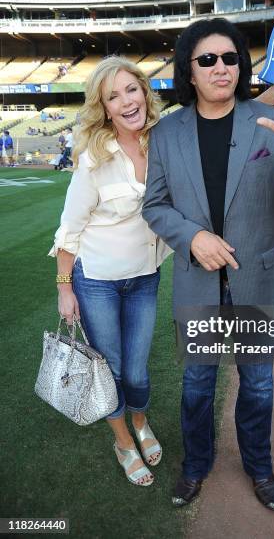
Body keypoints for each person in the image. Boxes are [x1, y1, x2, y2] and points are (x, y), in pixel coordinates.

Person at [142, 18, 274, 511]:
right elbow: (155, 206)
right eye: (207, 60)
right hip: (199, 284)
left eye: (229, 58)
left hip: (258, 283)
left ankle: (259, 467)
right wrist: (194, 237)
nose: (220, 67)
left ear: (241, 66)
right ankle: (195, 466)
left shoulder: (271, 120)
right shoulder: (166, 133)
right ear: (190, 69)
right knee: (197, 387)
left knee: (260, 386)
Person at [49, 56, 171, 487]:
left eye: (130, 89)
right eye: (112, 96)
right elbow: (70, 228)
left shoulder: (165, 142)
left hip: (145, 278)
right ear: (104, 108)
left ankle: (140, 423)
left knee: (137, 371)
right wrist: (66, 289)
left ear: (143, 91)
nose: (125, 101)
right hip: (96, 281)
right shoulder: (92, 157)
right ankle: (123, 442)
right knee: (113, 369)